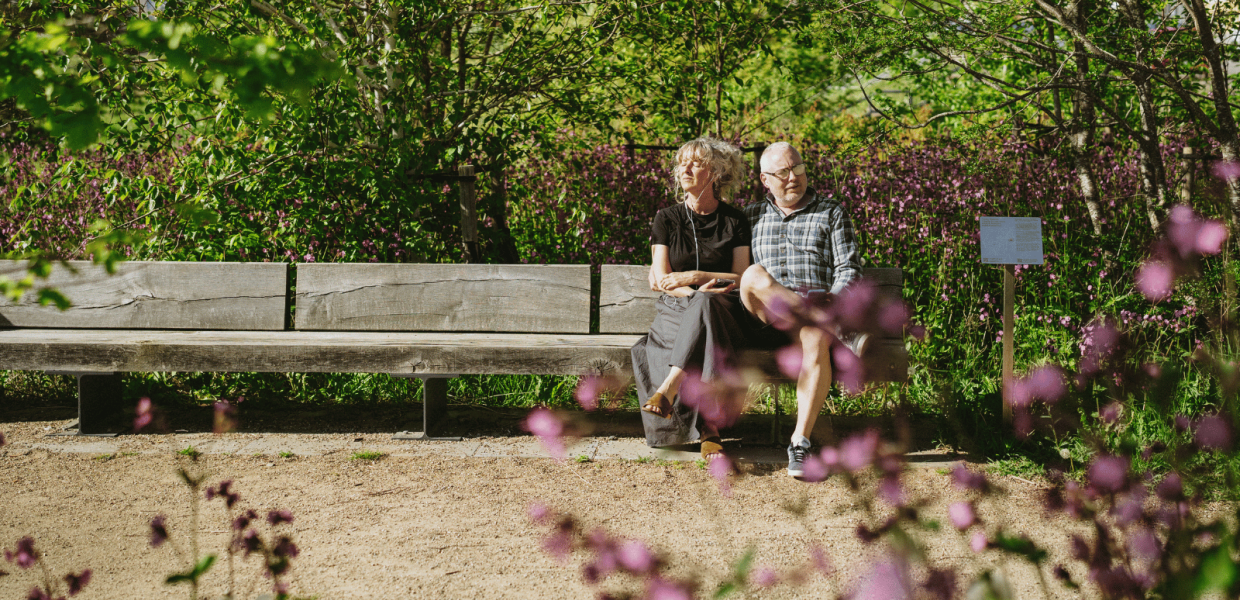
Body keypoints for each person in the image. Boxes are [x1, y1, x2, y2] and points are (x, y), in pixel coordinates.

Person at [738, 142, 864, 478]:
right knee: (753, 274)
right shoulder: (750, 215)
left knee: (814, 330)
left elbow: (849, 270)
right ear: (766, 179)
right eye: (783, 172)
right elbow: (729, 268)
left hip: (811, 323)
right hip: (763, 319)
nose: (793, 177)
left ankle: (800, 441)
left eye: (798, 168)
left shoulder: (831, 213)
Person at [631, 138, 752, 460]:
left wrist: (696, 278)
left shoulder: (735, 221)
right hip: (676, 306)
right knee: (702, 306)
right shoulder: (666, 218)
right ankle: (710, 428)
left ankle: (668, 388)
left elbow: (741, 277)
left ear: (716, 172)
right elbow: (661, 279)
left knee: (708, 304)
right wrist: (694, 292)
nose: (684, 169)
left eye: (695, 163)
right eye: (681, 162)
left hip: (724, 308)